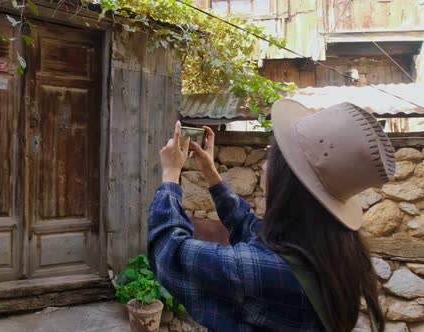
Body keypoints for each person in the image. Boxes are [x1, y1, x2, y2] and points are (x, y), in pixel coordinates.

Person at [147, 99, 395, 332]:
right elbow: (252, 227)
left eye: (273, 153)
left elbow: (168, 253)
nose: (266, 163)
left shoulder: (261, 271)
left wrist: (170, 176)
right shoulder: (335, 250)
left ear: (288, 181)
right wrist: (212, 175)